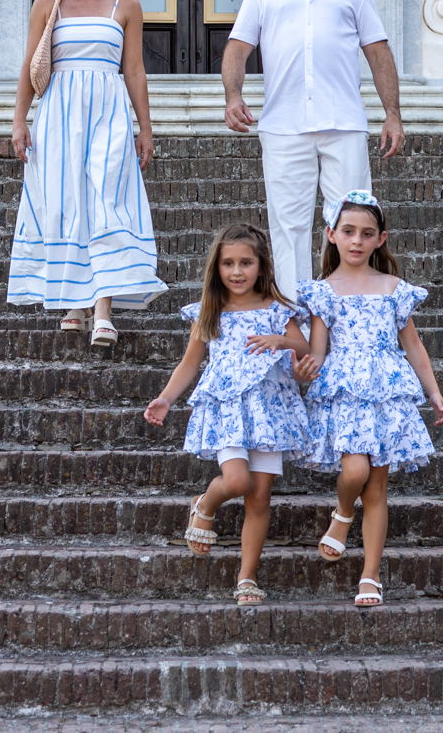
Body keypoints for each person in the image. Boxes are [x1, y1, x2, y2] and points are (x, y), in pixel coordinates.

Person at [222, 0, 405, 303]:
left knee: (352, 224)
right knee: (288, 227)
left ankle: (346, 308)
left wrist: (392, 114)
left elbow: (377, 51)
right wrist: (233, 95)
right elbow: (237, 48)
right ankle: (295, 318)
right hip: (284, 126)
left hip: (343, 122)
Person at [8, 0, 166, 346]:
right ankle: (74, 302)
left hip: (108, 112)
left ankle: (102, 310)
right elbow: (29, 66)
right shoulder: (48, 2)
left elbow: (134, 71)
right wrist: (19, 120)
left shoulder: (125, 5)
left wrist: (145, 128)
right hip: (59, 112)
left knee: (106, 198)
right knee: (66, 199)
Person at [143, 223, 316, 607]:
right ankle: (204, 504)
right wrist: (166, 399)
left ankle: (247, 577)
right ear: (217, 268)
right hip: (228, 411)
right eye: (228, 264)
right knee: (236, 482)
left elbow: (305, 347)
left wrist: (281, 340)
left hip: (270, 411)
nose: (237, 272)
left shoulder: (277, 309)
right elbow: (191, 363)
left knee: (259, 498)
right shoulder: (212, 311)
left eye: (245, 263)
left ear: (261, 266)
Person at [297, 190, 443, 608]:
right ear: (331, 235)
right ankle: (344, 512)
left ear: (381, 239)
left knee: (378, 488)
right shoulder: (323, 292)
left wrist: (433, 391)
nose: (357, 241)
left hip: (386, 395)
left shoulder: (394, 289)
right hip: (346, 394)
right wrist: (302, 367)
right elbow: (317, 351)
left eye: (367, 233)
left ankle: (370, 575)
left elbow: (413, 345)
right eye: (348, 232)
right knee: (354, 471)